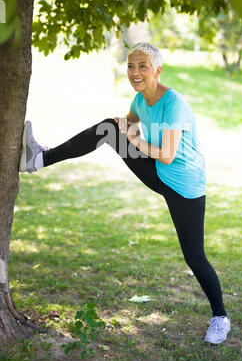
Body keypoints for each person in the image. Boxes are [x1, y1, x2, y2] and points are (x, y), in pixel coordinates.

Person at [19, 42, 230, 344]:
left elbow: (168, 155)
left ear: (158, 70)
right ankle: (39, 159)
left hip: (184, 185)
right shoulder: (141, 100)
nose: (135, 72)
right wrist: (124, 129)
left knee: (194, 256)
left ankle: (221, 317)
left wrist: (131, 138)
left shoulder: (173, 104)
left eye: (142, 66)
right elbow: (128, 122)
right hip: (159, 174)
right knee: (108, 127)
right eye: (131, 66)